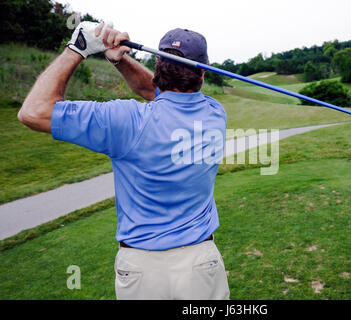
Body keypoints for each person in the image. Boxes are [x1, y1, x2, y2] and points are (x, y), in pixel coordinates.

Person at [18, 21, 230, 300]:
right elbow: (156, 92)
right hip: (202, 264)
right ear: (203, 72)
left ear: (158, 66)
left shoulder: (126, 121)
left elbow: (33, 112)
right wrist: (120, 61)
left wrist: (77, 49)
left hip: (141, 270)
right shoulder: (215, 113)